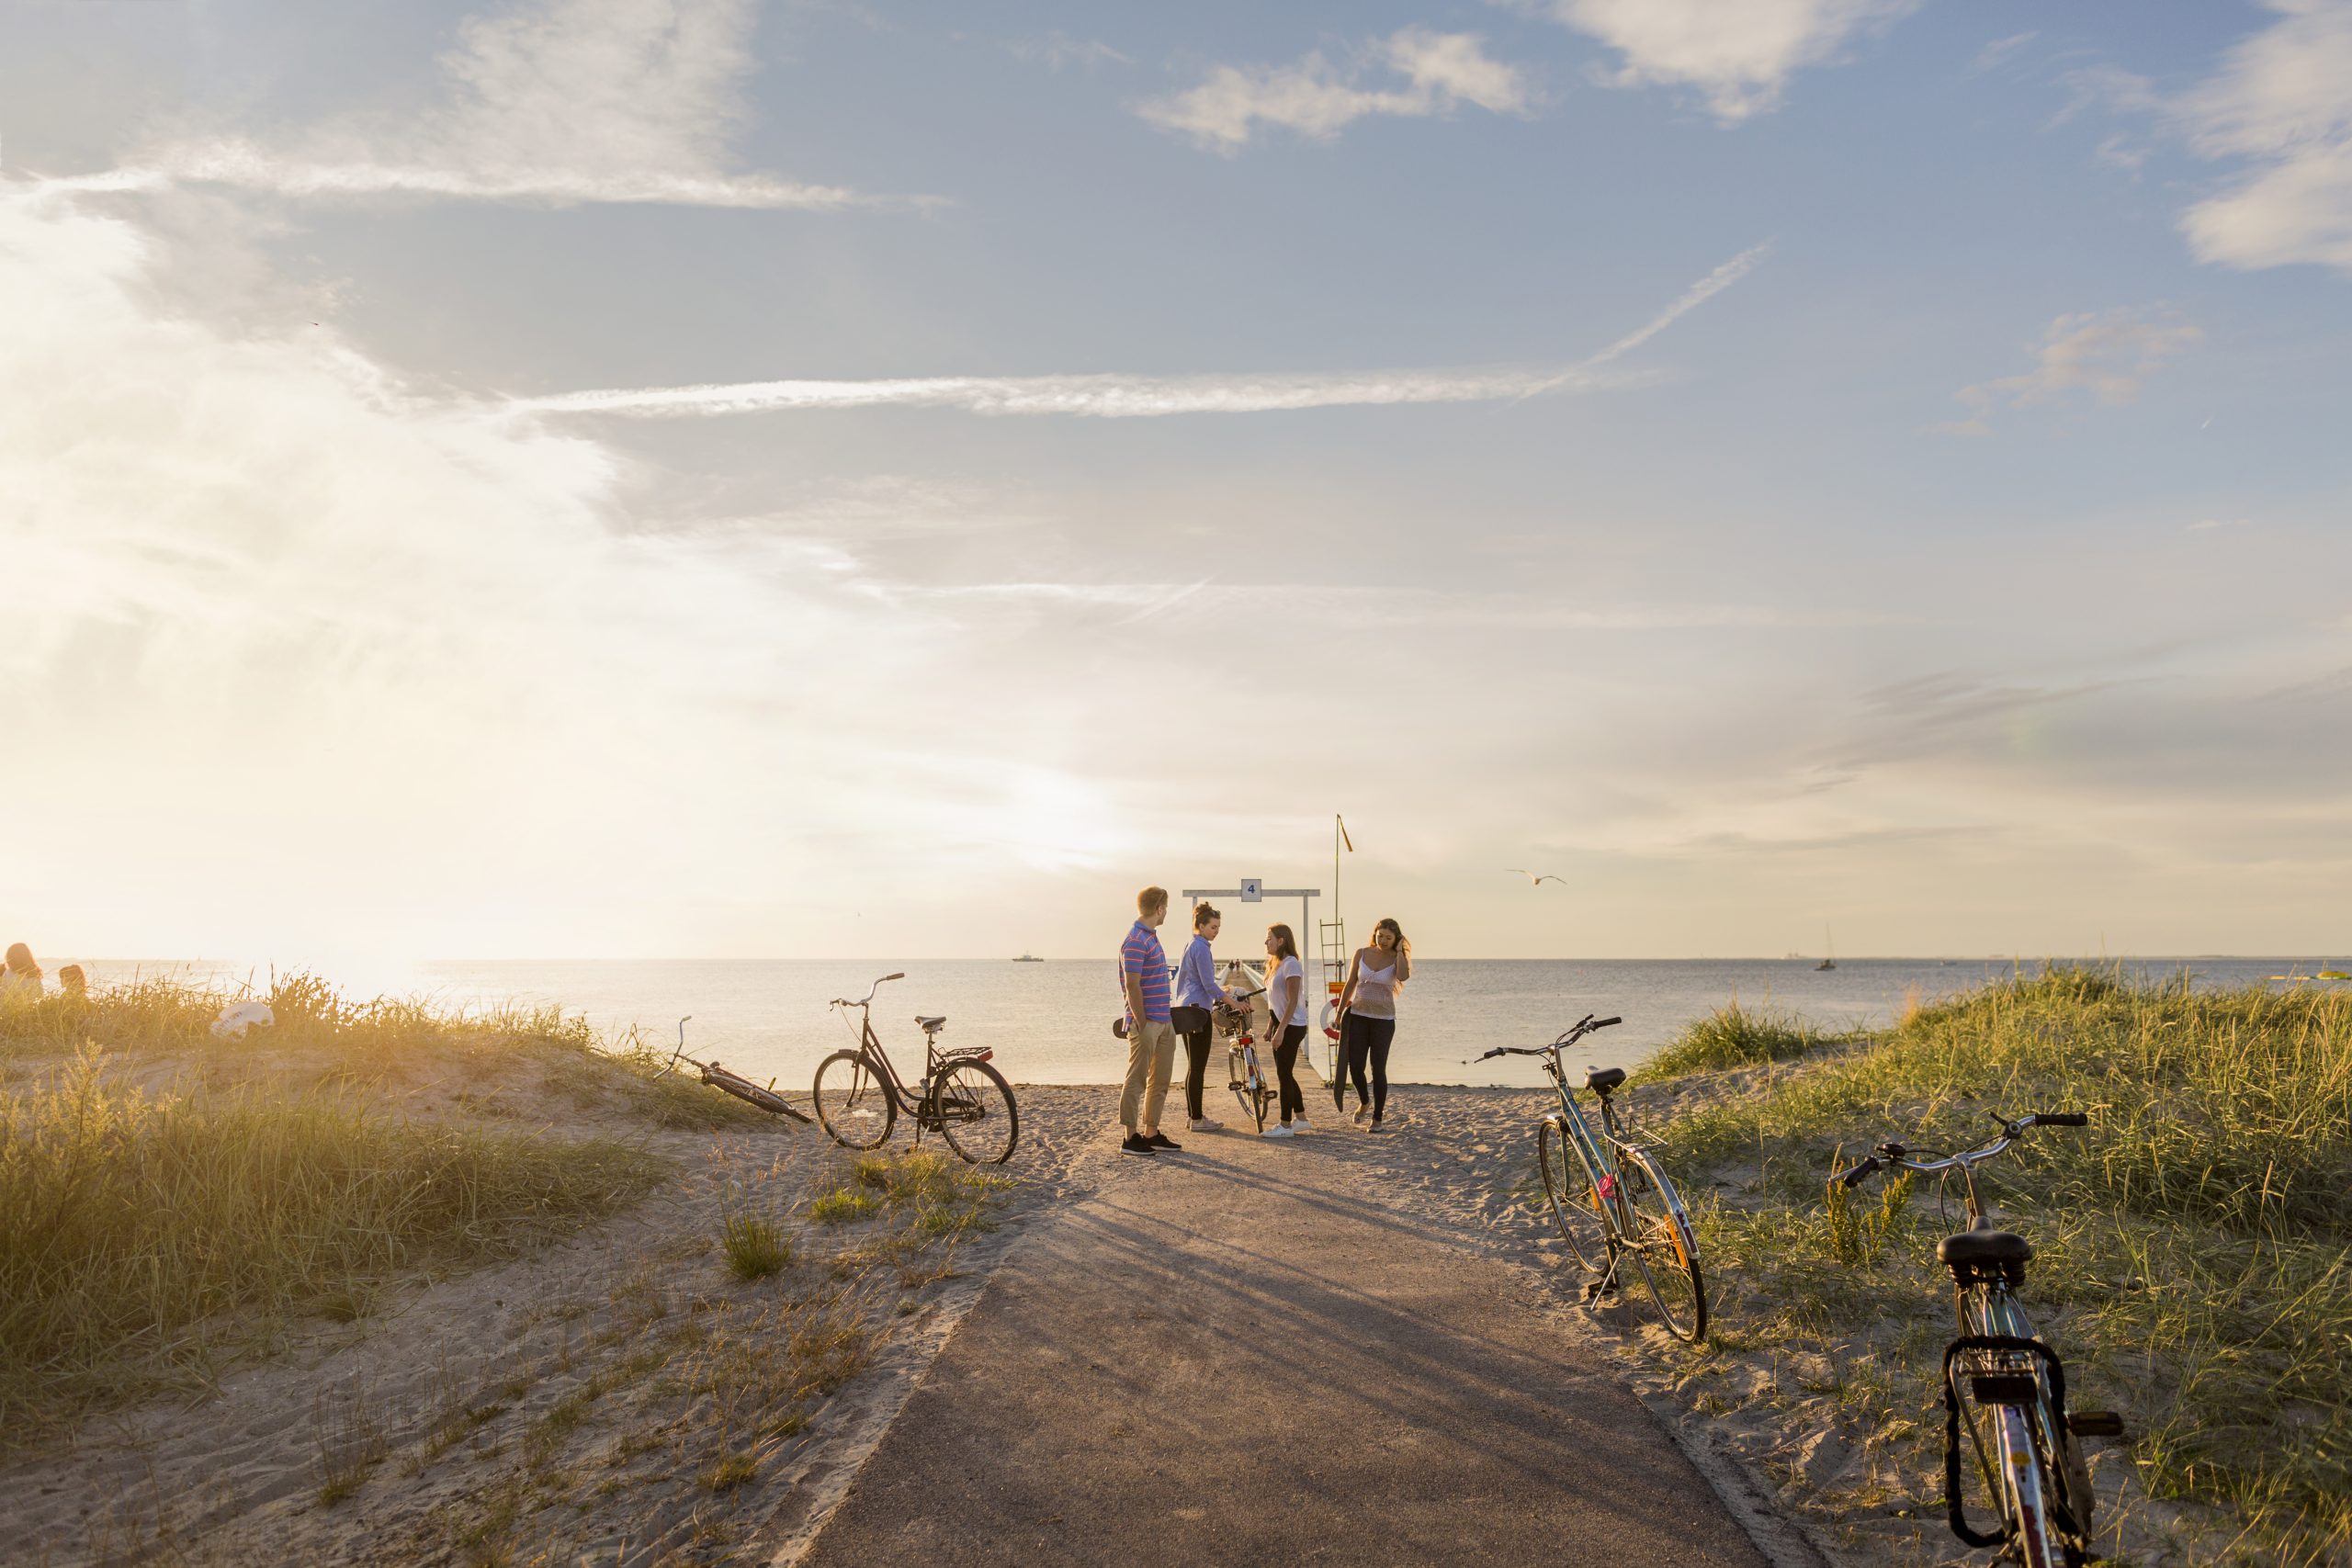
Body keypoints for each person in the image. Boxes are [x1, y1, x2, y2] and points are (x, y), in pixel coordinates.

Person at [1117, 886, 1182, 1156]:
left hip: (1164, 1020)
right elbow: (1132, 986)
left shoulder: (1151, 938)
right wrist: (1142, 1023)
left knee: (1160, 1080)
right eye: (1165, 907)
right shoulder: (1134, 940)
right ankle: (1129, 1137)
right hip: (1146, 1023)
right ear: (1158, 909)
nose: (1166, 912)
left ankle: (1151, 1132)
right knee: (1136, 1079)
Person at [1171, 902, 1246, 1133]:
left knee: (1193, 1067)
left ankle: (1193, 1115)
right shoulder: (1202, 947)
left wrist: (1221, 989)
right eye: (1213, 927)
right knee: (1198, 1067)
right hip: (1197, 1012)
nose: (1216, 931)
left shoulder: (1189, 945)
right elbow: (1207, 985)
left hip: (1184, 1008)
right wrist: (1233, 1001)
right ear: (1201, 925)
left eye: (1218, 927)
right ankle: (1197, 1119)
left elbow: (1190, 981)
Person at [1333, 919, 1411, 1130]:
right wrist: (1339, 1013)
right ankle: (1365, 1101)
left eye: (1388, 937)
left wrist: (1401, 952)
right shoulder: (1361, 953)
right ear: (1374, 933)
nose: (1383, 940)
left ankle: (1377, 1118)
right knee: (1355, 1066)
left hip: (1383, 1022)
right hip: (1358, 1016)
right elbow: (1350, 983)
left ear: (1396, 939)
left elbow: (1403, 976)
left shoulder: (1397, 958)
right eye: (1380, 935)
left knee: (1378, 1069)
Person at [1260, 923, 1312, 1136]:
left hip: (1292, 1026)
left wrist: (1281, 1030)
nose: (1266, 942)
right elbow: (1275, 1002)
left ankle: (1285, 1125)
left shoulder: (1291, 964)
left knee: (1283, 1074)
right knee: (1286, 1073)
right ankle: (1301, 1119)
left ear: (1281, 940)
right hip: (1281, 1024)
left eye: (1269, 938)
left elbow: (1291, 1002)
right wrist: (1270, 1026)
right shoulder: (1276, 964)